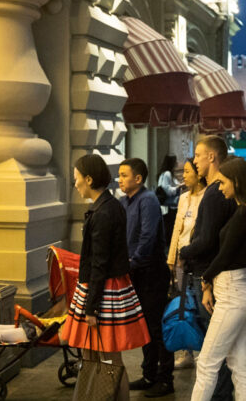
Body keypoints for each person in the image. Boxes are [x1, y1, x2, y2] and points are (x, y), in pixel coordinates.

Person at [62, 154, 150, 401]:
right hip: (107, 288)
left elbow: (99, 262)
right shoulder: (110, 206)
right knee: (100, 355)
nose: (75, 183)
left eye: (77, 178)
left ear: (89, 179)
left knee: (108, 358)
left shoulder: (102, 212)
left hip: (101, 291)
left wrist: (90, 307)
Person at [191, 157, 246, 401]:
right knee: (237, 360)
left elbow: (225, 256)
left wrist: (206, 277)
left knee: (206, 362)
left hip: (232, 290)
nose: (219, 187)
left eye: (223, 182)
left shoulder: (245, 212)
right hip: (235, 288)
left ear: (235, 181)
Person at [178, 136, 239, 401]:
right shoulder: (219, 189)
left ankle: (220, 395)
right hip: (210, 273)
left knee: (213, 346)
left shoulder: (215, 192)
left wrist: (184, 252)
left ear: (212, 157)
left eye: (199, 156)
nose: (195, 161)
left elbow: (207, 239)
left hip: (208, 276)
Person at [118, 157, 174, 397]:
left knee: (156, 327)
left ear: (138, 179)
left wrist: (132, 262)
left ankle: (165, 379)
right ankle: (149, 373)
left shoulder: (148, 199)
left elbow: (148, 237)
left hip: (151, 272)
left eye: (124, 175)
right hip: (135, 272)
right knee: (144, 326)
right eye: (119, 175)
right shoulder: (125, 201)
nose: (119, 180)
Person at [166, 157, 205, 369]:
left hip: (198, 260)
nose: (184, 176)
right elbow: (176, 230)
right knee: (182, 305)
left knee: (200, 305)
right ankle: (186, 351)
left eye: (188, 171)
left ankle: (204, 349)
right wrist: (171, 259)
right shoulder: (183, 198)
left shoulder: (207, 196)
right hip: (181, 260)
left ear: (199, 174)